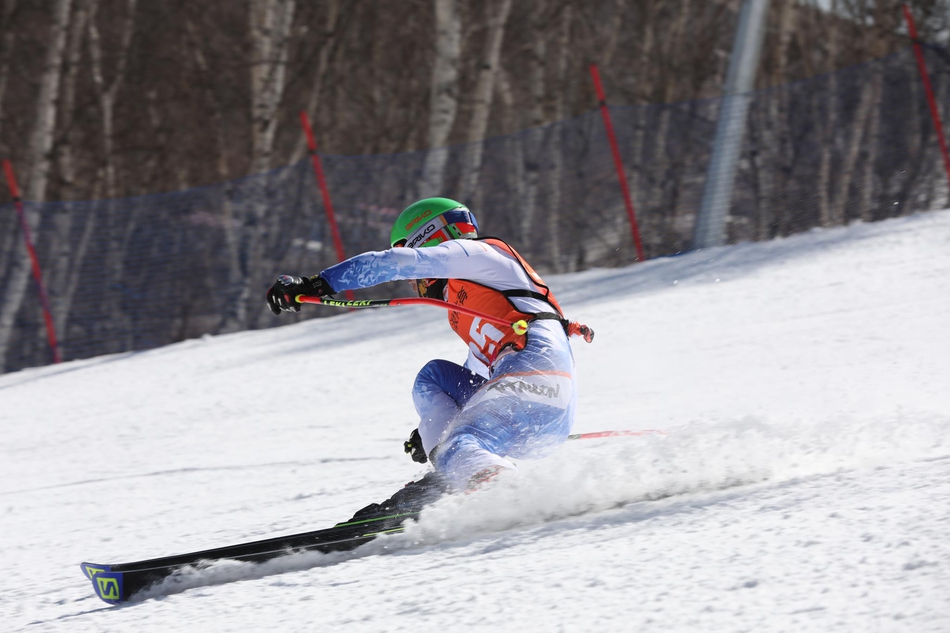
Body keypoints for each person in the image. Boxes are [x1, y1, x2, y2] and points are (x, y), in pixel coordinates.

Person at [266, 197, 592, 499]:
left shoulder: (481, 255)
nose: (414, 284)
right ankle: (455, 473)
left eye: (405, 247)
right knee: (434, 378)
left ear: (428, 236)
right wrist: (434, 428)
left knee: (459, 444)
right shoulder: (463, 304)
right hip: (528, 403)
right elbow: (476, 375)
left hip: (538, 378)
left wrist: (318, 283)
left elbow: (397, 263)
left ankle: (502, 493)